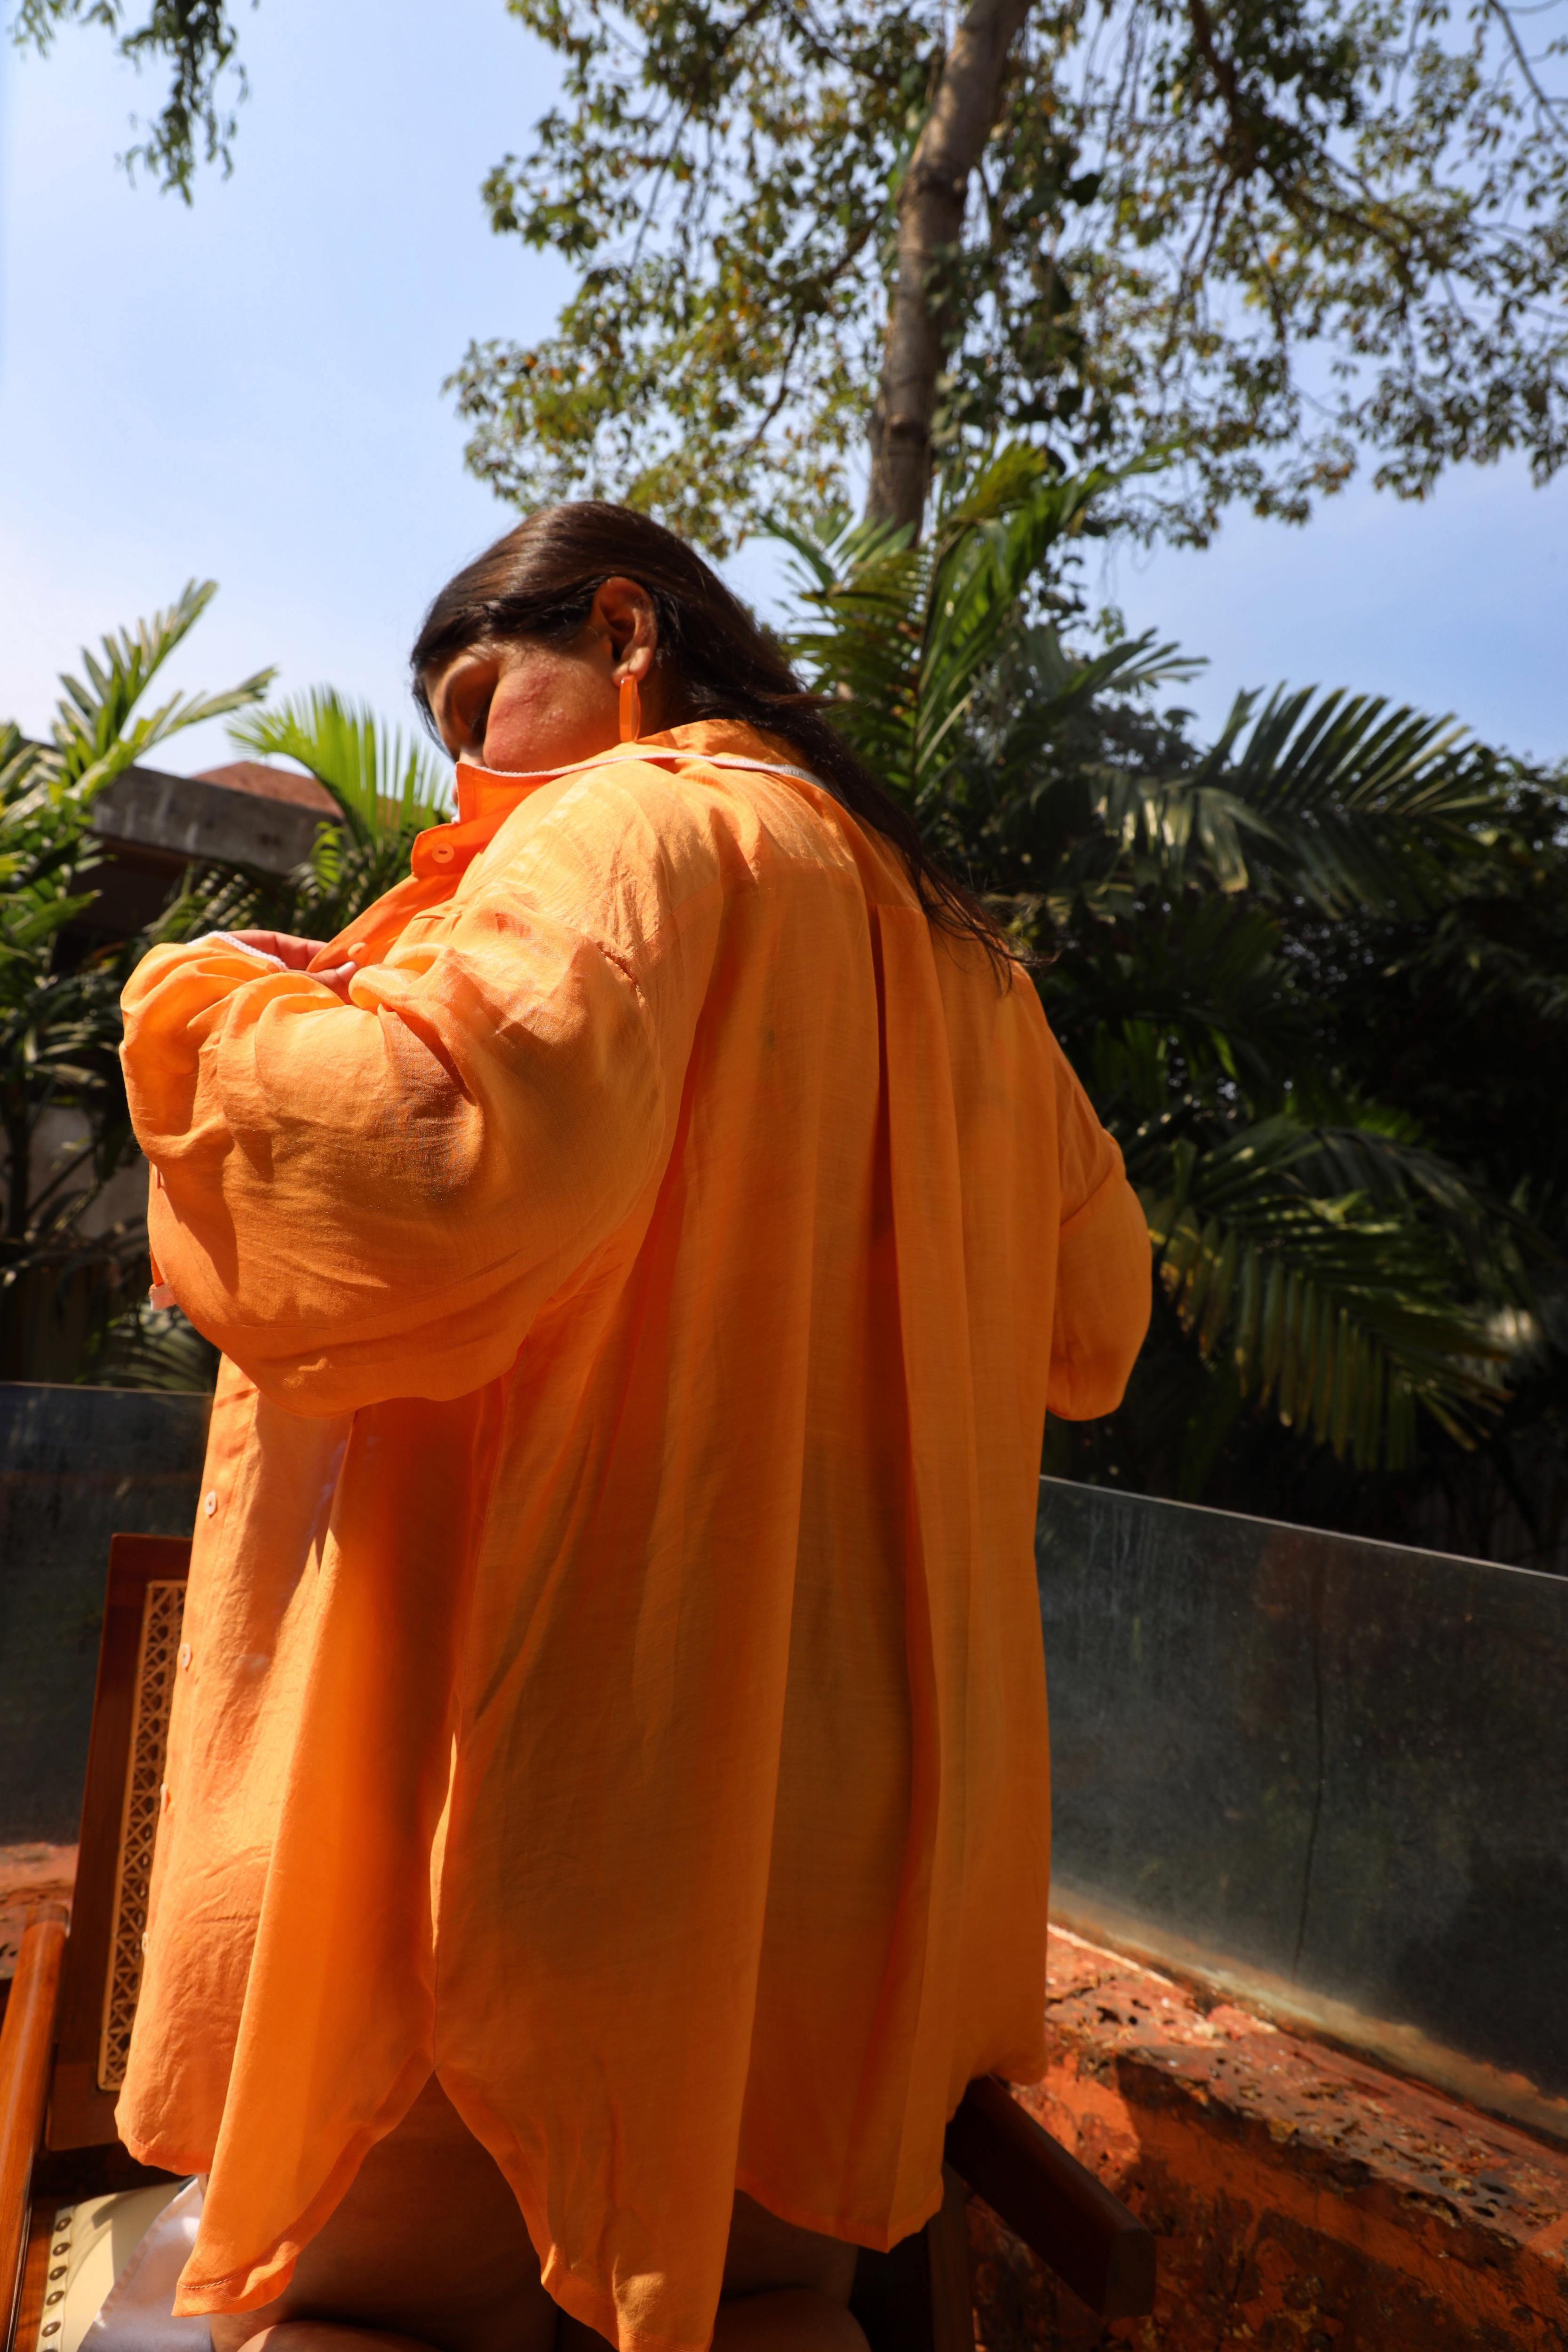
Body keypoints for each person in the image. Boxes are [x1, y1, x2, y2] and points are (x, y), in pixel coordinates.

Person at [116, 503, 1152, 2352]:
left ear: (619, 627)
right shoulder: (976, 971)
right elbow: (1100, 1324)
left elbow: (414, 1174)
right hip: (832, 1913)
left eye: (475, 692)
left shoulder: (629, 822)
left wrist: (216, 1009)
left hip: (551, 1866)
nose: (463, 762)